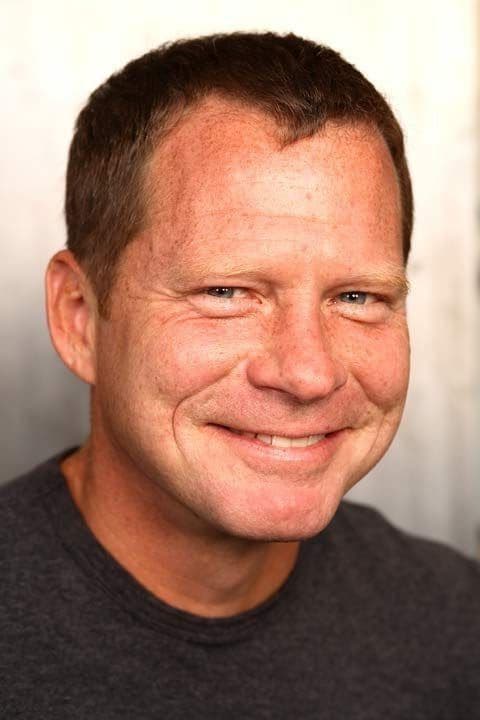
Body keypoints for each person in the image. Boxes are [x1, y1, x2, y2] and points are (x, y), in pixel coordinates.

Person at [1, 31, 478, 719]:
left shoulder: (458, 629)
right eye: (225, 292)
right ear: (79, 317)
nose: (308, 373)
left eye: (357, 297)